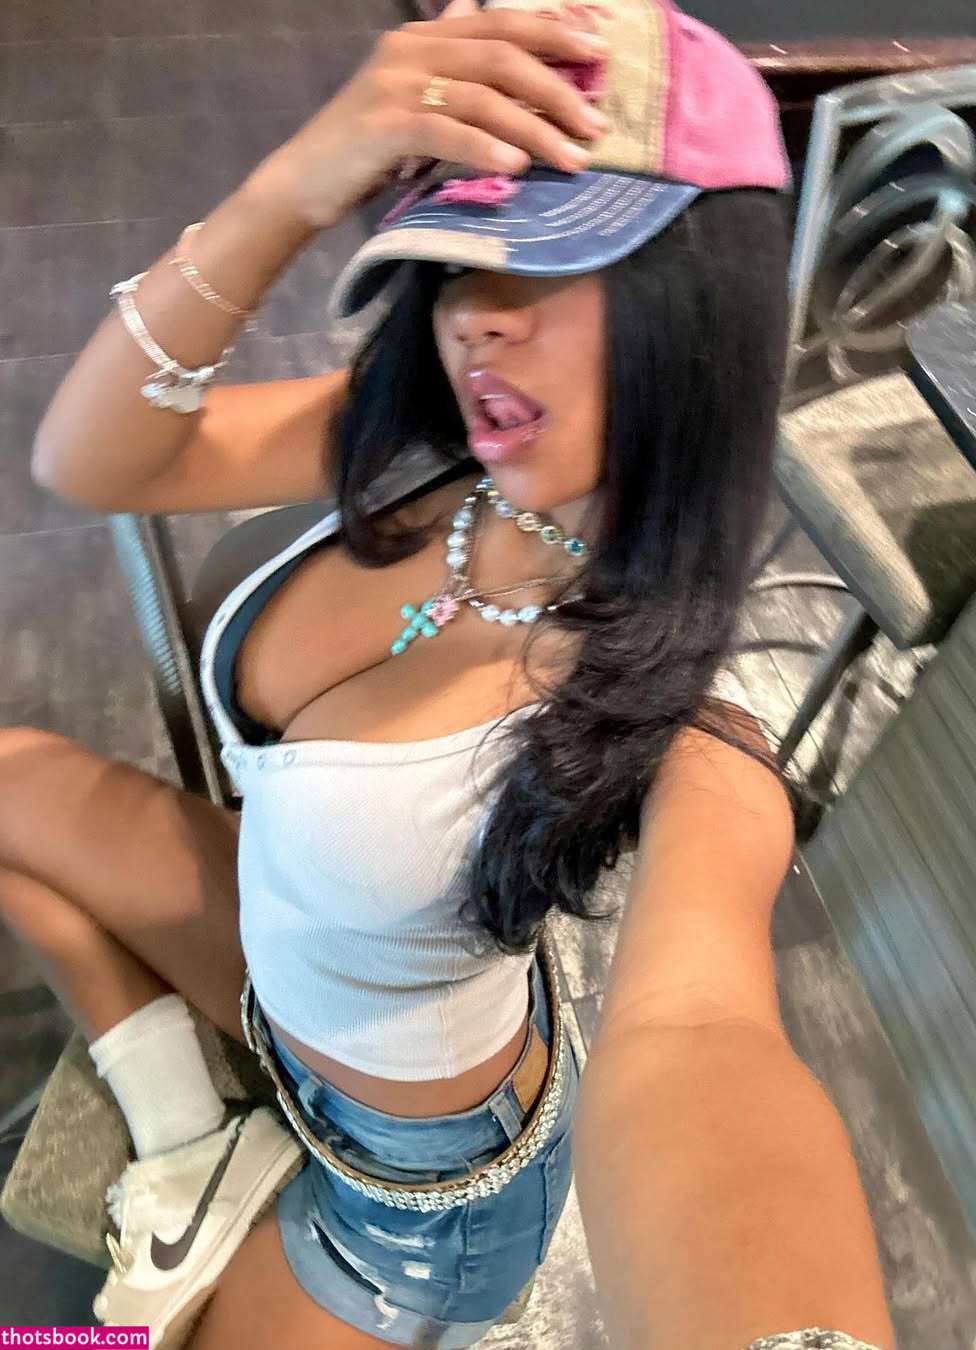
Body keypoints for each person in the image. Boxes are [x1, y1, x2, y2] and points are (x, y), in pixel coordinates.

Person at [10, 0, 896, 1347]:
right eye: (455, 261)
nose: (478, 316)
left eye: (552, 260)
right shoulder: (431, 444)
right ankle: (191, 1136)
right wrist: (286, 188)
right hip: (278, 967)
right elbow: (87, 463)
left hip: (411, 1203)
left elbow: (700, 1037)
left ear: (699, 309)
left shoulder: (685, 720)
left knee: (76, 1344)